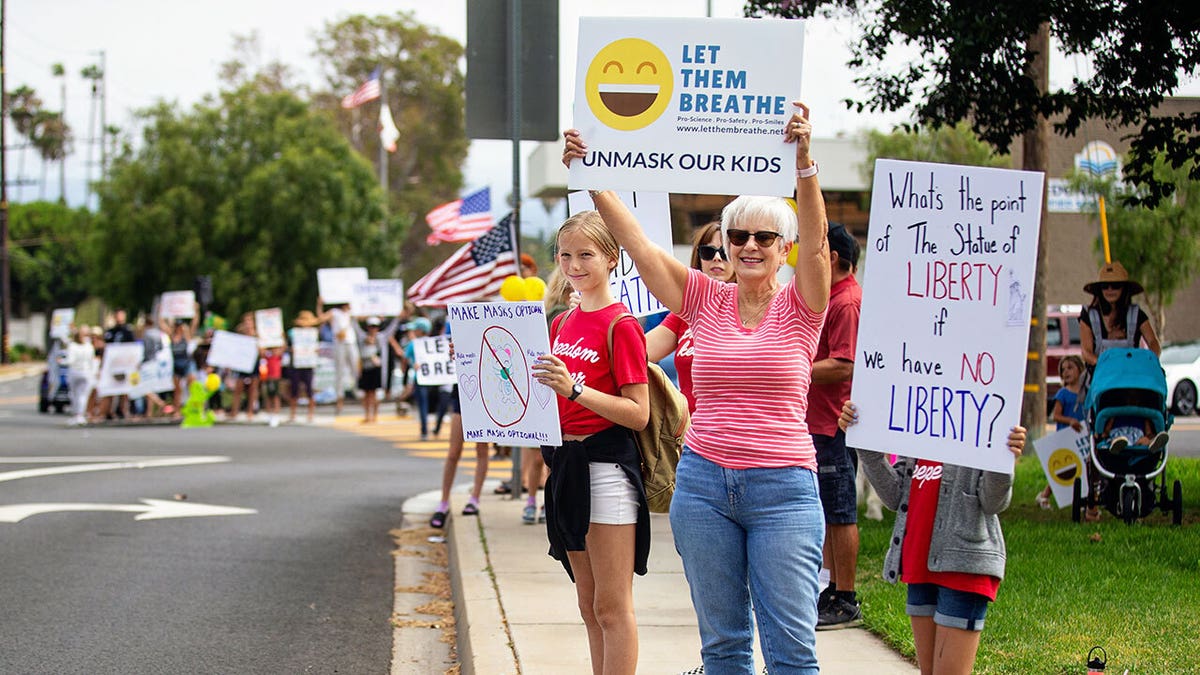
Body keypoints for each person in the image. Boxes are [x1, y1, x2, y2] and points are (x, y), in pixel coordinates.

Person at [562, 101, 830, 673]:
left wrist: (805, 167)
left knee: (792, 652)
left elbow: (817, 243)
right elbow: (637, 245)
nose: (749, 246)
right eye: (738, 237)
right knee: (724, 648)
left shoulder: (802, 307)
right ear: (727, 245)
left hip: (783, 490)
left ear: (783, 248)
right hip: (704, 486)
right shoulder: (705, 300)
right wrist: (593, 179)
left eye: (764, 236)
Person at [531, 209, 651, 675]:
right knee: (587, 604)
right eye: (565, 255)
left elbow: (638, 413)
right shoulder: (561, 324)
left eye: (586, 254)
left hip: (606, 469)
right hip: (566, 467)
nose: (574, 265)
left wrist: (576, 391)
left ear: (611, 257)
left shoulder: (621, 325)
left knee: (612, 606)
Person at [839, 401, 1027, 675]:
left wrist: (1003, 460)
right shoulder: (921, 425)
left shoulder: (981, 422)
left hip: (964, 564)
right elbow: (893, 495)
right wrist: (864, 443)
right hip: (919, 563)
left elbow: (993, 502)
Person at [807, 221, 864, 631]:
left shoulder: (846, 302)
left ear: (833, 258)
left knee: (840, 512)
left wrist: (793, 368)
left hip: (835, 423)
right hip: (820, 422)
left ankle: (846, 596)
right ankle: (831, 587)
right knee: (828, 509)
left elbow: (844, 363)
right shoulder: (831, 297)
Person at [645, 220, 732, 413]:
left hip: (736, 434)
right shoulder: (686, 311)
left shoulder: (754, 307)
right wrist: (595, 311)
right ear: (698, 258)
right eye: (708, 252)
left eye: (724, 252)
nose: (716, 258)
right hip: (690, 435)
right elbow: (638, 351)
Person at [429, 328, 491, 529]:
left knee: (481, 449)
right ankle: (444, 501)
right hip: (463, 389)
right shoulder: (460, 322)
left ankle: (475, 498)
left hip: (487, 389)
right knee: (453, 451)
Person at [1079, 261, 1161, 374]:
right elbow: (1086, 352)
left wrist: (1148, 359)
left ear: (1124, 289)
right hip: (1100, 376)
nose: (1110, 290)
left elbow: (1153, 341)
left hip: (1131, 374)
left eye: (1116, 285)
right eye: (1104, 286)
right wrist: (1104, 364)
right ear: (1099, 290)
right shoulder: (1088, 315)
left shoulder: (1136, 314)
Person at [1036, 354, 1086, 510]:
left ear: (1080, 369)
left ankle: (1083, 499)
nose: (1066, 372)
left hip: (1081, 436)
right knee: (1061, 470)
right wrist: (1070, 421)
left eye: (1070, 368)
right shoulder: (1063, 394)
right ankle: (1044, 495)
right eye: (1063, 369)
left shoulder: (1087, 393)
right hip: (1065, 436)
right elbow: (1056, 415)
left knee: (1083, 468)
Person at [316, 298, 360, 415]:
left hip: (351, 343)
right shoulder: (334, 312)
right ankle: (340, 399)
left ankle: (358, 391)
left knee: (356, 369)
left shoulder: (351, 313)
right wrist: (319, 305)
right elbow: (321, 318)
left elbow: (363, 316)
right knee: (339, 372)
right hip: (339, 343)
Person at [287, 310, 321, 424]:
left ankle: (310, 414)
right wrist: (291, 349)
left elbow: (317, 347)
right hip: (296, 363)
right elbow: (288, 345)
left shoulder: (314, 333)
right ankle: (293, 414)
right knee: (294, 389)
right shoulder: (293, 333)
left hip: (308, 363)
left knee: (309, 389)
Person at [66, 325, 96, 426]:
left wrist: (61, 361)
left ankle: (76, 415)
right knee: (83, 395)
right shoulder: (89, 346)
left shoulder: (73, 346)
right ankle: (80, 415)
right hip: (87, 372)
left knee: (74, 394)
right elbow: (92, 361)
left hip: (75, 372)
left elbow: (70, 360)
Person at [358, 316, 384, 423]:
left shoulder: (380, 338)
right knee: (366, 394)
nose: (373, 329)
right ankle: (367, 415)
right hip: (366, 368)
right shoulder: (362, 339)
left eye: (375, 327)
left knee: (375, 393)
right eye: (371, 326)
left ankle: (375, 415)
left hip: (376, 369)